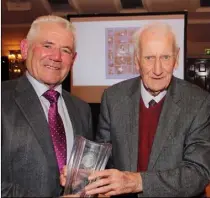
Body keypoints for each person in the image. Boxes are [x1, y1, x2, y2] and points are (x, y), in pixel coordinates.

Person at [76, 23, 210, 197]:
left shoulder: (199, 102)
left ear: (176, 58)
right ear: (137, 60)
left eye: (165, 57)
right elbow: (104, 156)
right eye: (149, 58)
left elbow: (198, 172)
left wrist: (138, 182)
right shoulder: (113, 97)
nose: (157, 69)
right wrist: (80, 175)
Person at [2, 15, 93, 197]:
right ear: (25, 49)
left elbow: (85, 172)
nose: (56, 57)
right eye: (47, 45)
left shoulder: (82, 109)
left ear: (73, 59)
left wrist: (85, 181)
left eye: (65, 50)